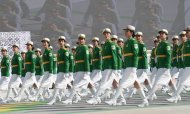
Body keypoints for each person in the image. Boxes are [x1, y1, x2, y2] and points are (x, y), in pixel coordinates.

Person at [105, 25, 148, 107]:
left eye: (127, 31)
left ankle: (114, 99)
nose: (125, 32)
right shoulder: (127, 42)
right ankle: (144, 100)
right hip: (128, 65)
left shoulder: (133, 42)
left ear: (131, 32)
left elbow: (135, 54)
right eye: (125, 31)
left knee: (122, 84)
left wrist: (135, 66)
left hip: (132, 66)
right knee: (136, 84)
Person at [87, 28, 118, 105]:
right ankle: (117, 99)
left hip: (110, 66)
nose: (106, 35)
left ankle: (95, 98)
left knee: (103, 83)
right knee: (113, 84)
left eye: (107, 33)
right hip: (105, 66)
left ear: (110, 34)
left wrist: (115, 67)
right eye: (105, 34)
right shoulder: (105, 45)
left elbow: (114, 56)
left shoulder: (111, 44)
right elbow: (103, 57)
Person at [62, 34, 93, 104]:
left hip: (83, 69)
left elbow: (86, 59)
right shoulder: (78, 48)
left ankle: (70, 99)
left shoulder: (85, 48)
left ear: (84, 40)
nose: (81, 40)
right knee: (89, 84)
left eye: (82, 39)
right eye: (80, 39)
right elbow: (76, 60)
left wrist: (87, 70)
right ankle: (96, 96)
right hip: (79, 68)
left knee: (76, 85)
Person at [147, 29, 176, 101]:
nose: (161, 35)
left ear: (166, 35)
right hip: (160, 65)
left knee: (157, 81)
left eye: (163, 33)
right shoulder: (160, 44)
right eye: (160, 34)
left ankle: (150, 95)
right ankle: (177, 94)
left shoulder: (166, 44)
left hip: (164, 66)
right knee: (169, 82)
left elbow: (169, 56)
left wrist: (167, 65)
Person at [167, 31, 190, 103]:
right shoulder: (182, 46)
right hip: (185, 66)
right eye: (181, 36)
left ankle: (175, 96)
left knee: (182, 81)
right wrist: (181, 66)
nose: (183, 37)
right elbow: (180, 57)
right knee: (181, 80)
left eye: (184, 35)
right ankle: (176, 96)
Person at [48, 36, 70, 105]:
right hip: (60, 70)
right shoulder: (59, 51)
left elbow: (66, 62)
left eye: (62, 41)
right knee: (64, 85)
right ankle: (75, 95)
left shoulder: (65, 51)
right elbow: (58, 62)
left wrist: (66, 71)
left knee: (58, 85)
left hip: (64, 70)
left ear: (64, 42)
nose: (61, 42)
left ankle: (54, 99)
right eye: (60, 41)